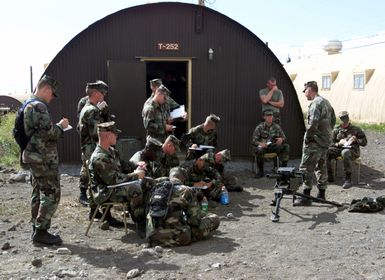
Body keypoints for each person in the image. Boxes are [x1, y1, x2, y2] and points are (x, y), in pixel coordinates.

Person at [22, 75, 69, 245]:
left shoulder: (28, 104)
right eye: (52, 93)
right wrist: (61, 127)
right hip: (43, 158)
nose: (52, 98)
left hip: (35, 157)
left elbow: (39, 131)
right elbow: (49, 133)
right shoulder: (38, 106)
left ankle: (37, 227)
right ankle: (41, 231)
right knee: (51, 193)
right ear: (46, 89)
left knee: (38, 193)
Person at [88, 122, 146, 228]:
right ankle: (140, 222)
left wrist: (136, 165)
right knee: (135, 188)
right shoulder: (100, 157)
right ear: (107, 135)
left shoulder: (112, 151)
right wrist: (136, 175)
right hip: (105, 192)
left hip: (113, 187)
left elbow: (124, 166)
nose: (117, 136)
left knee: (147, 182)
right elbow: (114, 180)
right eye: (115, 134)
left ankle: (149, 216)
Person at [146, 167, 220, 246]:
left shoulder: (155, 189)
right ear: (183, 178)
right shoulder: (185, 190)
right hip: (178, 237)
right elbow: (194, 221)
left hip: (153, 237)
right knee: (214, 218)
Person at [293, 81, 336, 206]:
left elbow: (313, 123)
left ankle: (306, 197)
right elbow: (333, 121)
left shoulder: (316, 103)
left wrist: (309, 137)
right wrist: (326, 134)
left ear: (310, 89)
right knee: (321, 166)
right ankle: (321, 194)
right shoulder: (326, 102)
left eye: (305, 91)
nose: (304, 94)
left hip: (314, 141)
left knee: (307, 167)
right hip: (324, 141)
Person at [77, 80, 109, 206]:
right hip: (91, 146)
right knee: (93, 175)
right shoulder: (92, 110)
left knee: (88, 171)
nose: (104, 95)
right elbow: (96, 133)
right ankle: (94, 203)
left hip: (88, 145)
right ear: (96, 93)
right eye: (102, 93)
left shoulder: (89, 107)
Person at [327, 111, 367, 189]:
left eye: (345, 120)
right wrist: (338, 143)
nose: (344, 122)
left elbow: (364, 142)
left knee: (345, 152)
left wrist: (357, 140)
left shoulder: (356, 129)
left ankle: (348, 179)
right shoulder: (336, 129)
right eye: (342, 120)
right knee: (327, 151)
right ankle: (329, 175)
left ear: (348, 119)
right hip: (339, 149)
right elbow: (330, 143)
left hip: (352, 151)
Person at [251, 109, 290, 178]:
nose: (269, 117)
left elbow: (284, 138)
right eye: (267, 116)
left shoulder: (277, 127)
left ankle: (283, 170)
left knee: (286, 146)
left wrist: (281, 139)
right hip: (264, 148)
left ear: (273, 117)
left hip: (273, 147)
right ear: (264, 117)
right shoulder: (259, 127)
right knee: (259, 150)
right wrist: (261, 144)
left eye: (271, 115)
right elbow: (254, 141)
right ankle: (260, 172)